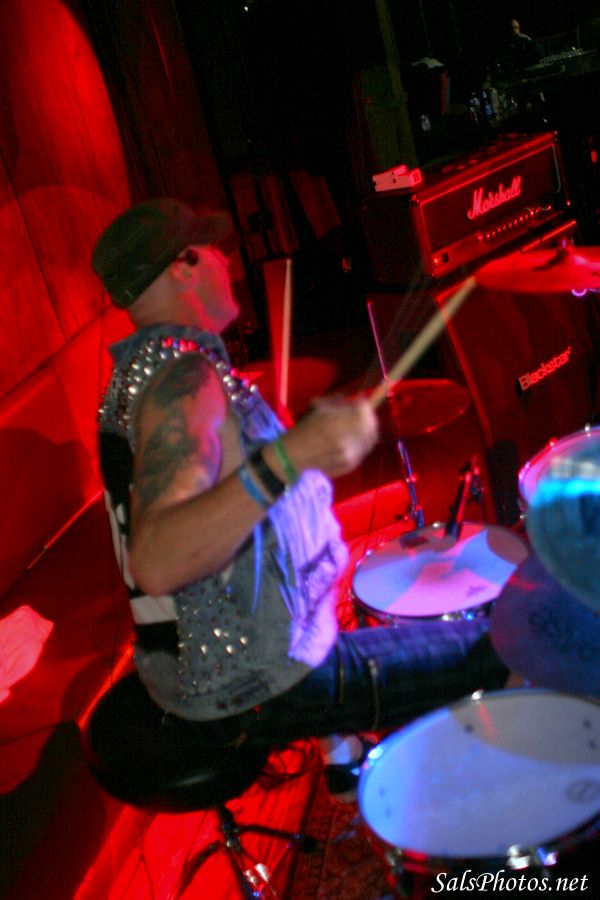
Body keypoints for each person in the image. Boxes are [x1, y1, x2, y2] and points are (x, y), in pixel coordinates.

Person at [92, 198, 511, 800]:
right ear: (184, 266)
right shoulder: (180, 381)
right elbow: (157, 559)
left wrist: (275, 451)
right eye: (214, 251)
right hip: (256, 684)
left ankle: (343, 754)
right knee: (513, 644)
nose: (227, 264)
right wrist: (290, 456)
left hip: (200, 664)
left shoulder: (136, 376)